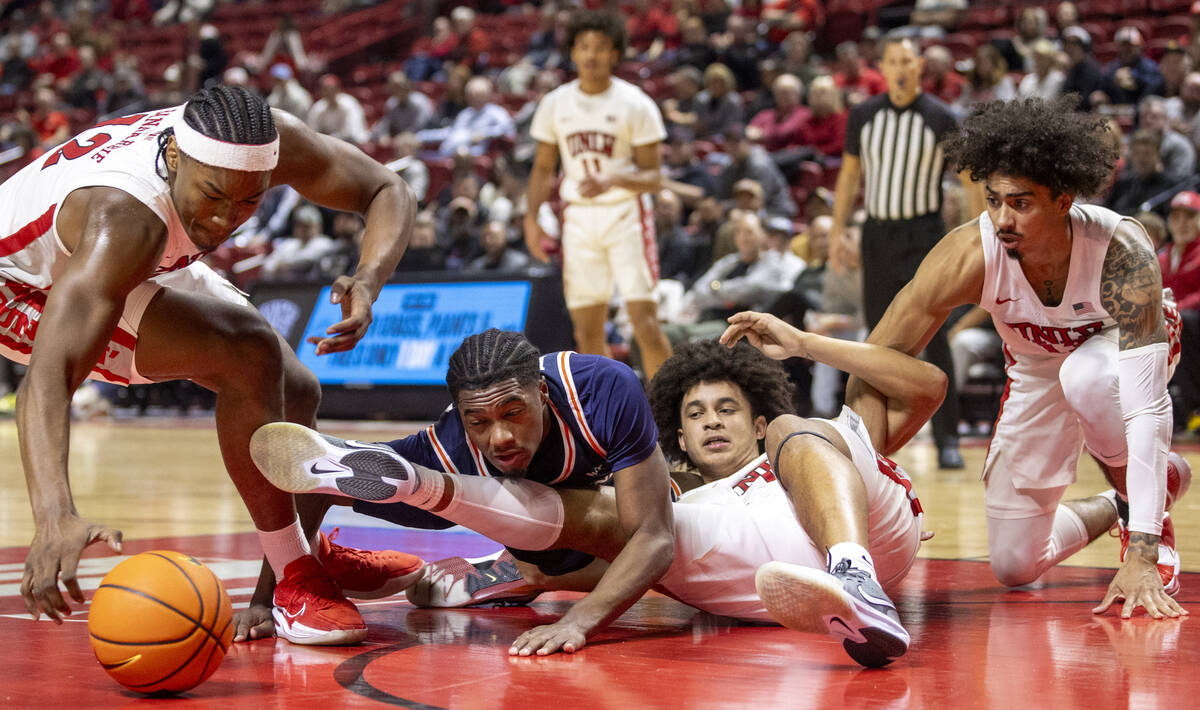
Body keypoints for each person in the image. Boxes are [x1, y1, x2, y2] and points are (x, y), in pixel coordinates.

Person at [248, 329, 940, 667]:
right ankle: (479, 540)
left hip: (873, 539)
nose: (713, 423)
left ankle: (855, 574)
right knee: (632, 523)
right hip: (749, 576)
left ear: (755, 420)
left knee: (801, 431)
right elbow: (307, 471)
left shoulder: (798, 444)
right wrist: (276, 585)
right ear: (676, 436)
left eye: (728, 410)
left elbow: (926, 386)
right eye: (696, 416)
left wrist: (803, 344)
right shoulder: (675, 481)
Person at [3, 86, 420, 645]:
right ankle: (295, 581)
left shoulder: (265, 143)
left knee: (297, 389)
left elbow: (385, 187)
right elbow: (48, 378)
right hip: (23, 285)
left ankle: (301, 559)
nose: (227, 219)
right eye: (214, 195)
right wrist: (55, 515)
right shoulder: (125, 214)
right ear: (174, 155)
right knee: (247, 349)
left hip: (134, 255)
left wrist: (368, 277)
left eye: (250, 202)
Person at [858, 95, 1190, 618]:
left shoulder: (1120, 249)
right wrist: (864, 487)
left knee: (1088, 376)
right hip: (1035, 366)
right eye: (993, 200)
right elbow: (876, 360)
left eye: (1021, 203)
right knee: (1014, 565)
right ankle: (1119, 501)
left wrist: (1146, 547)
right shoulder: (969, 253)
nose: (1002, 218)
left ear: (1063, 198)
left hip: (1119, 350)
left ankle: (1142, 520)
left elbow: (1146, 409)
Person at [238, 329, 677, 657]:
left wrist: (580, 621)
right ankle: (522, 567)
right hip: (477, 493)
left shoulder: (602, 390)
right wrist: (269, 595)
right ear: (462, 417)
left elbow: (655, 537)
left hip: (613, 499)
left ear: (542, 393)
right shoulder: (449, 449)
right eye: (479, 421)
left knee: (675, 518)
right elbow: (317, 479)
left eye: (513, 412)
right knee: (371, 474)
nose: (500, 436)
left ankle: (525, 574)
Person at [831, 33, 982, 469]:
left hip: (924, 236)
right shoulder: (863, 115)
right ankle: (868, 442)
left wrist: (977, 234)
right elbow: (848, 176)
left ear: (919, 66)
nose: (899, 67)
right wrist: (839, 229)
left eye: (906, 60)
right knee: (876, 342)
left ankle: (947, 437)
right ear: (883, 66)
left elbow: (969, 179)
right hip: (877, 235)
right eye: (892, 61)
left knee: (935, 342)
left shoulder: (941, 117)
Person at [524, 10, 674, 380]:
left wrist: (614, 178)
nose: (591, 55)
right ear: (572, 52)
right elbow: (543, 169)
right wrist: (530, 219)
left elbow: (655, 177)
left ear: (615, 53)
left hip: (626, 214)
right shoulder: (555, 103)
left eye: (601, 47)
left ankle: (672, 411)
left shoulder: (635, 102)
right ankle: (607, 419)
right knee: (587, 330)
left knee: (645, 322)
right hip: (578, 218)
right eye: (583, 46)